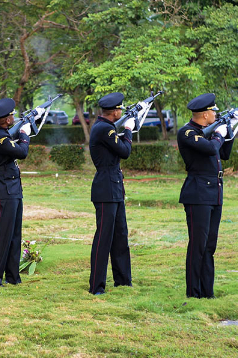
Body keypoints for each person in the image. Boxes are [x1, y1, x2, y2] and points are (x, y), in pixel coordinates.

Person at [178, 93, 233, 299]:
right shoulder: (188, 132)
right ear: (205, 114)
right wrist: (218, 134)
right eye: (214, 111)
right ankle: (193, 293)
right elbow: (211, 148)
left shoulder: (207, 132)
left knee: (210, 246)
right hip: (198, 193)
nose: (216, 114)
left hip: (214, 192)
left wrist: (229, 131)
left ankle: (207, 292)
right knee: (198, 245)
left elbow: (224, 153)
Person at [0, 98, 41, 286]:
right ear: (7, 120)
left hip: (13, 190)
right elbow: (21, 152)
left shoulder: (3, 133)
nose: (13, 117)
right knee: (3, 236)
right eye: (12, 115)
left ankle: (12, 276)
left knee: (15, 235)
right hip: (3, 191)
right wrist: (25, 134)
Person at [88, 92, 135, 295]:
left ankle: (123, 281)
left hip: (114, 187)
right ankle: (97, 286)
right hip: (106, 188)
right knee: (104, 238)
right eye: (120, 109)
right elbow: (124, 151)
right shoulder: (104, 130)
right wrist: (128, 131)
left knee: (120, 236)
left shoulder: (107, 128)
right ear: (114, 111)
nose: (121, 112)